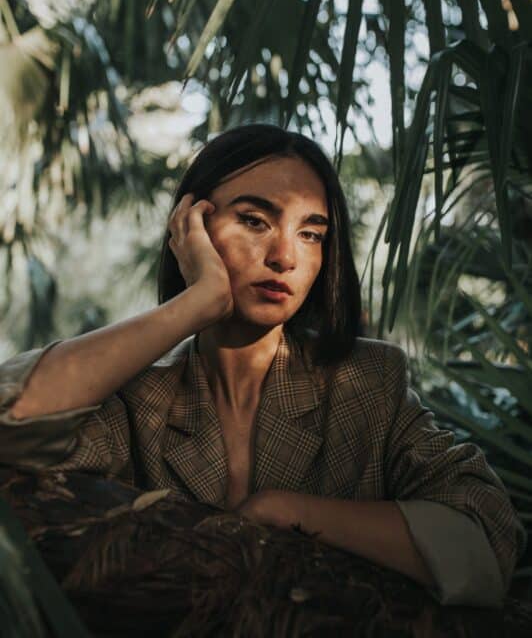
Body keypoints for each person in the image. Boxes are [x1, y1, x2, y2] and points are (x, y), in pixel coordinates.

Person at [0, 124, 526, 607]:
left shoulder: (368, 383)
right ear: (190, 229)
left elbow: (484, 536)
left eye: (310, 233)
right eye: (255, 221)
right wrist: (197, 302)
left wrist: (286, 512)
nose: (285, 257)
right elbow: (12, 421)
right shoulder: (140, 399)